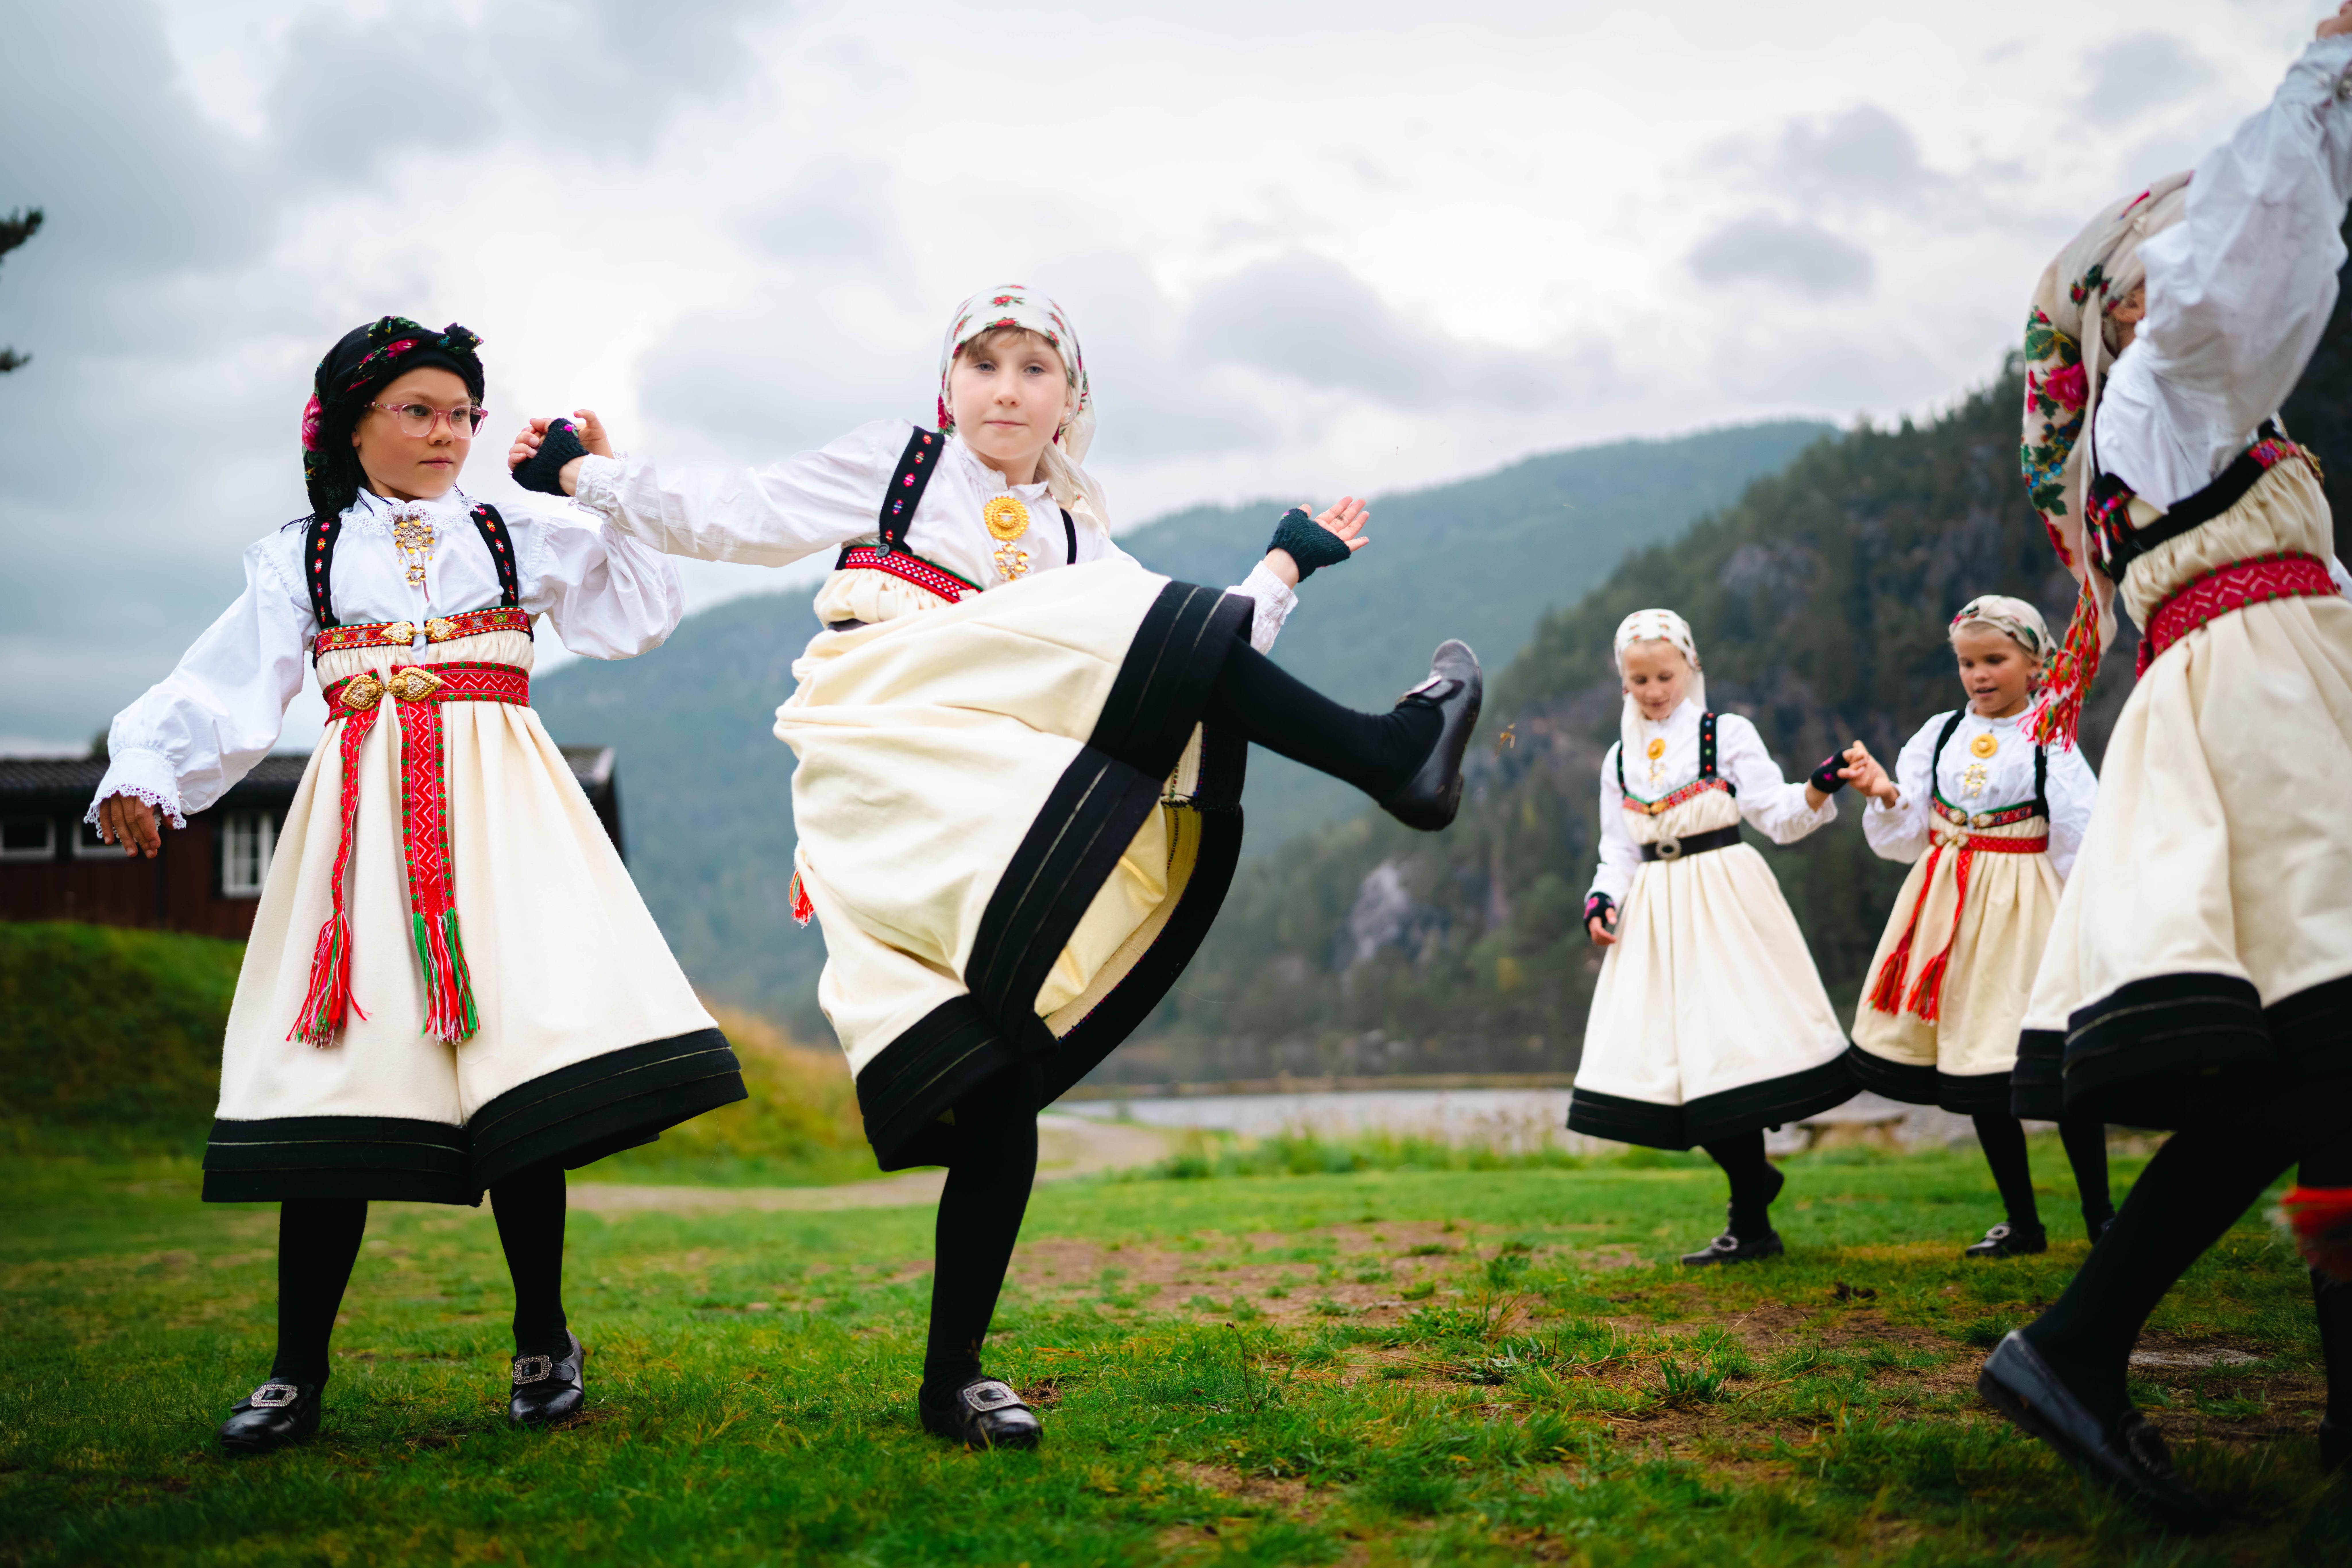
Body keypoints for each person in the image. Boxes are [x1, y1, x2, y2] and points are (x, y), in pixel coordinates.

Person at [506, 286, 1481, 1449]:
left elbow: (1191, 664)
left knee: (999, 1075)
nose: (1007, 389)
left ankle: (953, 1379)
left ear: (1070, 403)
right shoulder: (900, 469)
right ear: (948, 385)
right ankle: (1387, 753)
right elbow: (732, 512)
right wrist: (580, 474)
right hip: (888, 759)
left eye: (1034, 370)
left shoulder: (1079, 539)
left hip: (993, 801)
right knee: (1142, 625)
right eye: (984, 365)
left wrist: (1277, 572)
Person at [88, 316, 744, 1453]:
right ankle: (297, 1372)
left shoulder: (511, 530)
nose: (448, 433)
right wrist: (147, 767)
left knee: (521, 1074)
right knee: (334, 1080)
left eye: (462, 415)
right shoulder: (298, 555)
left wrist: (598, 485)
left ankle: (543, 1334)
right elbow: (229, 685)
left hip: (506, 823)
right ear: (353, 423)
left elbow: (636, 616)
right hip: (361, 830)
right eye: (420, 411)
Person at [1974, 10, 2352, 1526]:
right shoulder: (2172, 383)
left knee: (2316, 1078)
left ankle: (2287, 1404)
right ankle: (2075, 1345)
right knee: (2319, 1051)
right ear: (2130, 310)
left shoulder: (2192, 415)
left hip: (2275, 697)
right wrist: (2332, 65)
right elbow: (2264, 224)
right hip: (2260, 709)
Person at [1568, 609, 1855, 1265]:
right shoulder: (1618, 760)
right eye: (1638, 678)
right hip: (1655, 913)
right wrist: (1602, 898)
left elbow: (1776, 816)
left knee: (1727, 1058)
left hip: (1724, 901)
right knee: (1665, 1063)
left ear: (1690, 667)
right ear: (1623, 682)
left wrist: (1817, 786)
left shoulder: (1724, 734)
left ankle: (1750, 1223)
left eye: (1664, 674)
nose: (1653, 689)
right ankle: (1754, 1188)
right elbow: (1617, 848)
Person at [1840, 596, 2109, 1258]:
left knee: (2055, 1065)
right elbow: (1907, 836)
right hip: (1947, 913)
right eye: (1967, 662)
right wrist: (1883, 794)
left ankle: (2102, 1216)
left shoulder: (2053, 736)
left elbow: (2080, 835)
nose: (1979, 674)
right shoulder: (1937, 735)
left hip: (2025, 916)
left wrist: (2090, 923)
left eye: (1995, 659)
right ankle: (2022, 1221)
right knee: (1977, 1066)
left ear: (2034, 663)